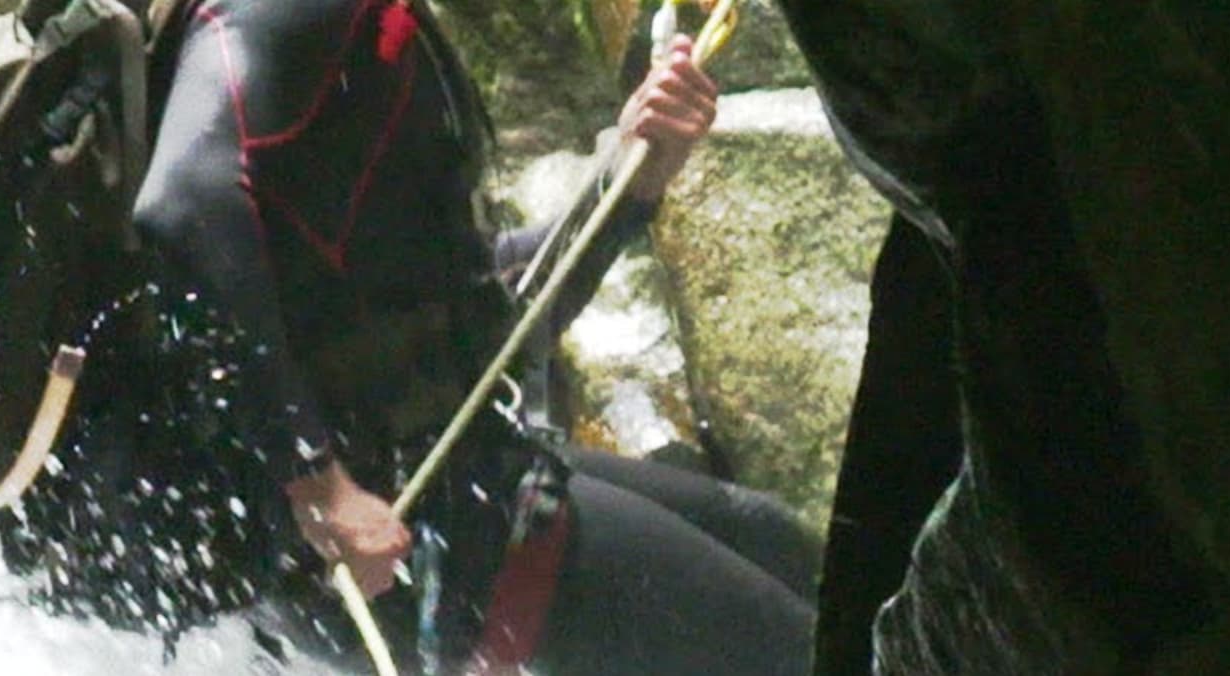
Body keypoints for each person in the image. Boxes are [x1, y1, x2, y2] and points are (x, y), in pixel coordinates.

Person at [129, 0, 819, 672]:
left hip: (447, 483)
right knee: (801, 651)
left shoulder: (360, 35)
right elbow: (181, 207)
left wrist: (628, 181)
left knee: (778, 545)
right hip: (405, 537)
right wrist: (319, 489)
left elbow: (484, 319)